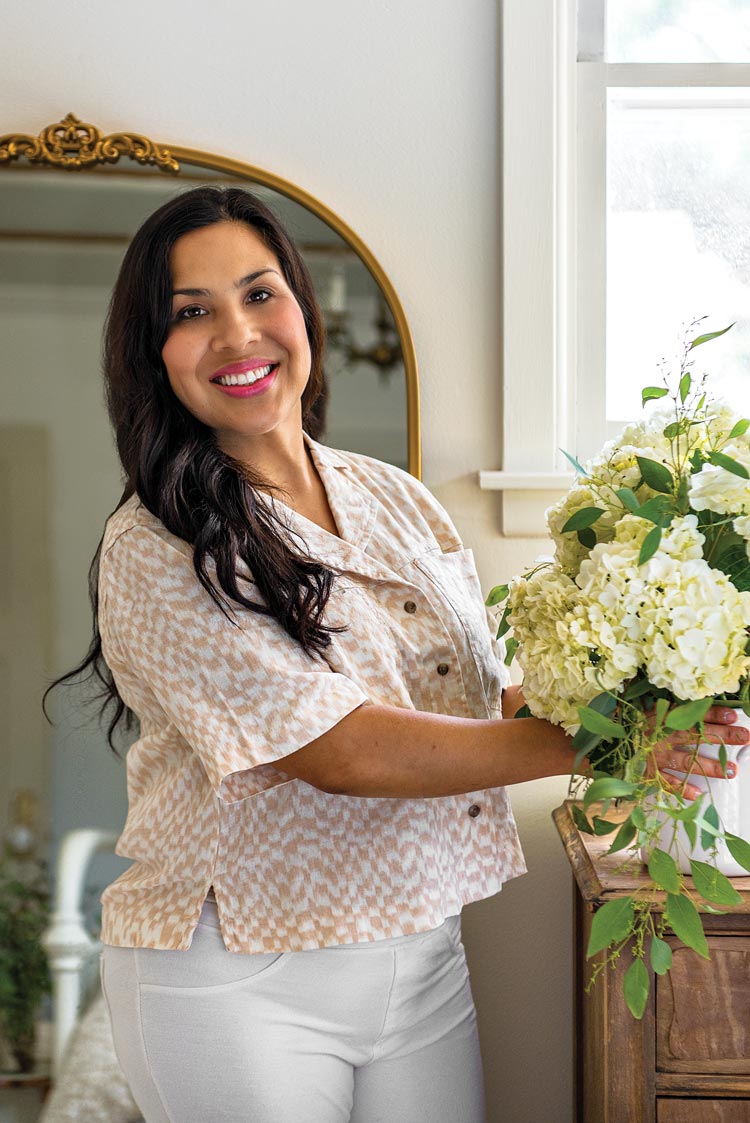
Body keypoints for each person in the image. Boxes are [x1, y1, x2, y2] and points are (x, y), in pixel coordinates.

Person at [52, 186, 746, 1123]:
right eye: (191, 312)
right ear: (153, 351)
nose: (237, 334)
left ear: (302, 308)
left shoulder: (396, 498)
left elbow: (465, 703)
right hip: (236, 974)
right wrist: (598, 744)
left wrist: (640, 709)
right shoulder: (157, 543)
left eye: (260, 295)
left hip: (421, 953)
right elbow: (340, 749)